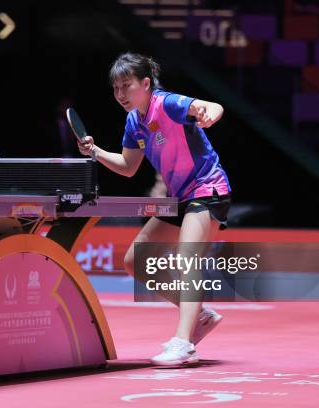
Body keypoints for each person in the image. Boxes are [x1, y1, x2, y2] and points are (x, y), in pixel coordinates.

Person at [77, 52, 231, 366]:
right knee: (136, 260)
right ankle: (198, 314)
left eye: (127, 85)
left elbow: (209, 106)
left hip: (207, 189)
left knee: (188, 257)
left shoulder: (168, 103)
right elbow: (128, 166)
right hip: (179, 198)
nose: (120, 94)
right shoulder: (134, 121)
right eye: (115, 88)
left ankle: (184, 343)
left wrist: (210, 112)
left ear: (145, 83)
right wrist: (94, 152)